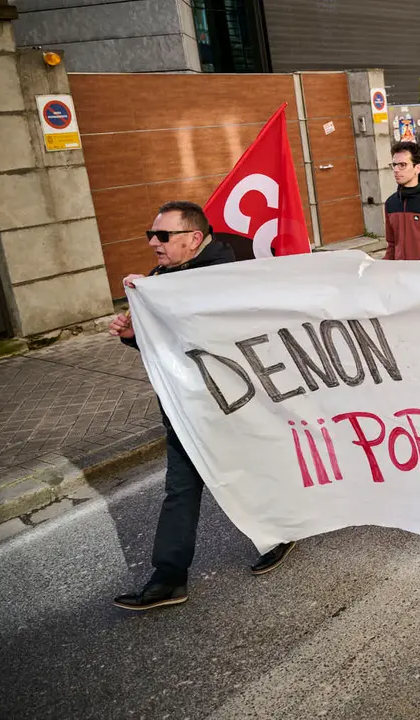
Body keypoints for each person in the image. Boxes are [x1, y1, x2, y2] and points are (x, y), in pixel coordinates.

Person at [110, 201, 295, 611]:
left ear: (194, 238)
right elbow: (164, 346)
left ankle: (281, 530)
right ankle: (169, 577)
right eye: (151, 235)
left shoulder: (225, 279)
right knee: (180, 487)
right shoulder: (162, 278)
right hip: (183, 407)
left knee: (251, 470)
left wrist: (163, 299)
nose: (154, 243)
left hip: (232, 404)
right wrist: (131, 331)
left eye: (163, 236)